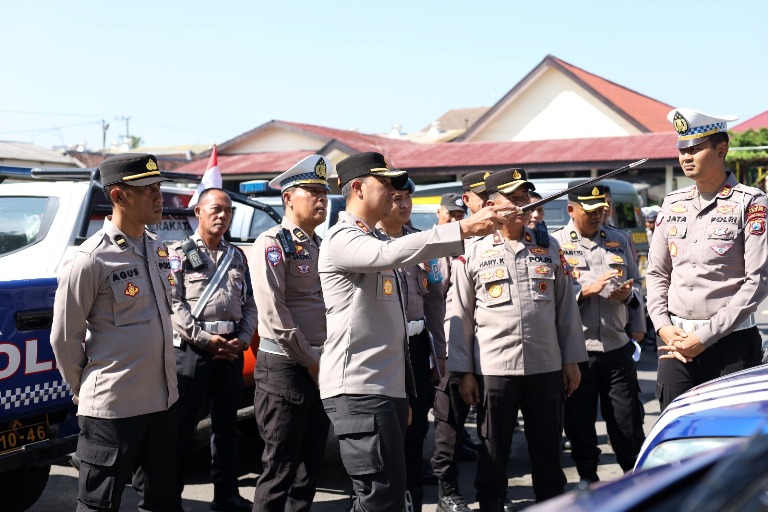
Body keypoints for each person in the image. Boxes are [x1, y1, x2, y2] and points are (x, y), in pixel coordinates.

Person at [318, 151, 509, 512]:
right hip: (359, 388)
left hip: (384, 387)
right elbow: (388, 254)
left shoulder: (377, 240)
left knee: (390, 495)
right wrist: (463, 228)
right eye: (384, 184)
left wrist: (402, 390)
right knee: (378, 497)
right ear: (357, 188)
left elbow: (398, 328)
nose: (394, 193)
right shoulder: (343, 237)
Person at [448, 168, 587, 510]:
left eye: (526, 196)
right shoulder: (472, 251)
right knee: (493, 451)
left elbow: (566, 309)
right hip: (496, 369)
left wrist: (571, 360)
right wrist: (464, 372)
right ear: (492, 205)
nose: (523, 203)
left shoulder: (549, 246)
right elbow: (459, 315)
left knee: (548, 452)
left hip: (546, 367)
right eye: (514, 197)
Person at [51, 153, 179, 512]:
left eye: (159, 187)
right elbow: (64, 337)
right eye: (148, 190)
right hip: (112, 411)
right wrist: (84, 391)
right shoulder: (90, 258)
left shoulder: (157, 247)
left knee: (164, 502)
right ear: (119, 196)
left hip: (163, 404)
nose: (159, 197)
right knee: (99, 505)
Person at [647, 107, 768, 411]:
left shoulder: (750, 203)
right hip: (676, 343)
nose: (686, 157)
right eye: (682, 150)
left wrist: (704, 336)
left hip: (731, 345)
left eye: (695, 149)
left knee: (731, 435)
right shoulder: (672, 203)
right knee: (676, 432)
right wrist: (662, 326)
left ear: (721, 149)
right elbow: (657, 273)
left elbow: (757, 281)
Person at [250, 155, 332, 511]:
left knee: (309, 465)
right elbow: (273, 313)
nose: (321, 199)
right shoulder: (272, 243)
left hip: (319, 363)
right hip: (287, 367)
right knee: (279, 467)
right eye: (312, 192)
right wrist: (312, 360)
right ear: (288, 198)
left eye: (323, 193)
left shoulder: (320, 245)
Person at [168, 187, 257, 512]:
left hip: (231, 349)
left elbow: (250, 304)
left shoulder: (237, 256)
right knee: (181, 428)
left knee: (226, 427)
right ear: (199, 212)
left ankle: (226, 495)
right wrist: (204, 340)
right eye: (216, 209)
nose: (223, 215)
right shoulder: (178, 253)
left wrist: (243, 338)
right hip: (192, 351)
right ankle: (170, 498)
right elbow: (173, 304)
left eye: (228, 210)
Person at [552, 181, 646, 482]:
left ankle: (635, 482)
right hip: (578, 352)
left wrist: (630, 300)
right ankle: (588, 482)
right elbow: (549, 297)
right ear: (571, 209)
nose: (597, 216)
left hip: (617, 346)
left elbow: (637, 284)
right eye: (589, 211)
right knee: (580, 425)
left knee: (627, 422)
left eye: (601, 210)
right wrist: (585, 291)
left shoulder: (618, 239)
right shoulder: (554, 244)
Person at [378, 178, 446, 512]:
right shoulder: (368, 243)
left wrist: (439, 352)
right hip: (384, 351)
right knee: (383, 437)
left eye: (408, 198)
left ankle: (413, 501)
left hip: (418, 347)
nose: (404, 205)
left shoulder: (423, 243)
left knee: (417, 429)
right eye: (395, 198)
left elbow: (435, 299)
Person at [431, 170, 490, 512]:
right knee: (449, 426)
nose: (490, 200)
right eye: (483, 195)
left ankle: (490, 493)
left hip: (489, 349)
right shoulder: (445, 243)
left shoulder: (495, 237)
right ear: (468, 199)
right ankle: (447, 492)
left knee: (491, 428)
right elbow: (435, 300)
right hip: (453, 347)